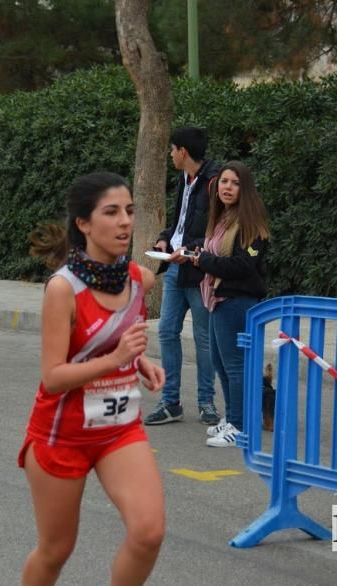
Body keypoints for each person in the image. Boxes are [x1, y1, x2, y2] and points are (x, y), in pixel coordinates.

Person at [11, 172, 165, 586]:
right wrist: (117, 354)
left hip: (118, 429)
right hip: (63, 435)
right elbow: (54, 376)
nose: (125, 222)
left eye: (129, 211)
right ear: (83, 224)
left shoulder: (139, 279)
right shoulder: (63, 289)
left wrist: (138, 360)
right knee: (56, 551)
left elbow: (120, 339)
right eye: (111, 213)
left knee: (148, 531)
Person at [172, 160, 270, 447]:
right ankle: (232, 418)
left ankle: (239, 427)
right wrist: (199, 255)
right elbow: (217, 256)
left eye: (235, 183)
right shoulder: (224, 217)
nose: (227, 188)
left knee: (235, 366)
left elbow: (242, 265)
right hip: (216, 296)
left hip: (237, 299)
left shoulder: (251, 221)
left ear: (246, 188)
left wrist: (203, 260)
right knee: (220, 363)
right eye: (225, 182)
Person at [143, 126, 221, 427]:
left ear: (183, 152)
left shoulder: (214, 181)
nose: (170, 155)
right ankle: (170, 402)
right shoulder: (184, 179)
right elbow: (180, 222)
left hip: (198, 270)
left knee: (203, 339)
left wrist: (190, 248)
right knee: (166, 331)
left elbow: (217, 230)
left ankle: (207, 402)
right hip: (175, 266)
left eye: (172, 150)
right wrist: (165, 239)